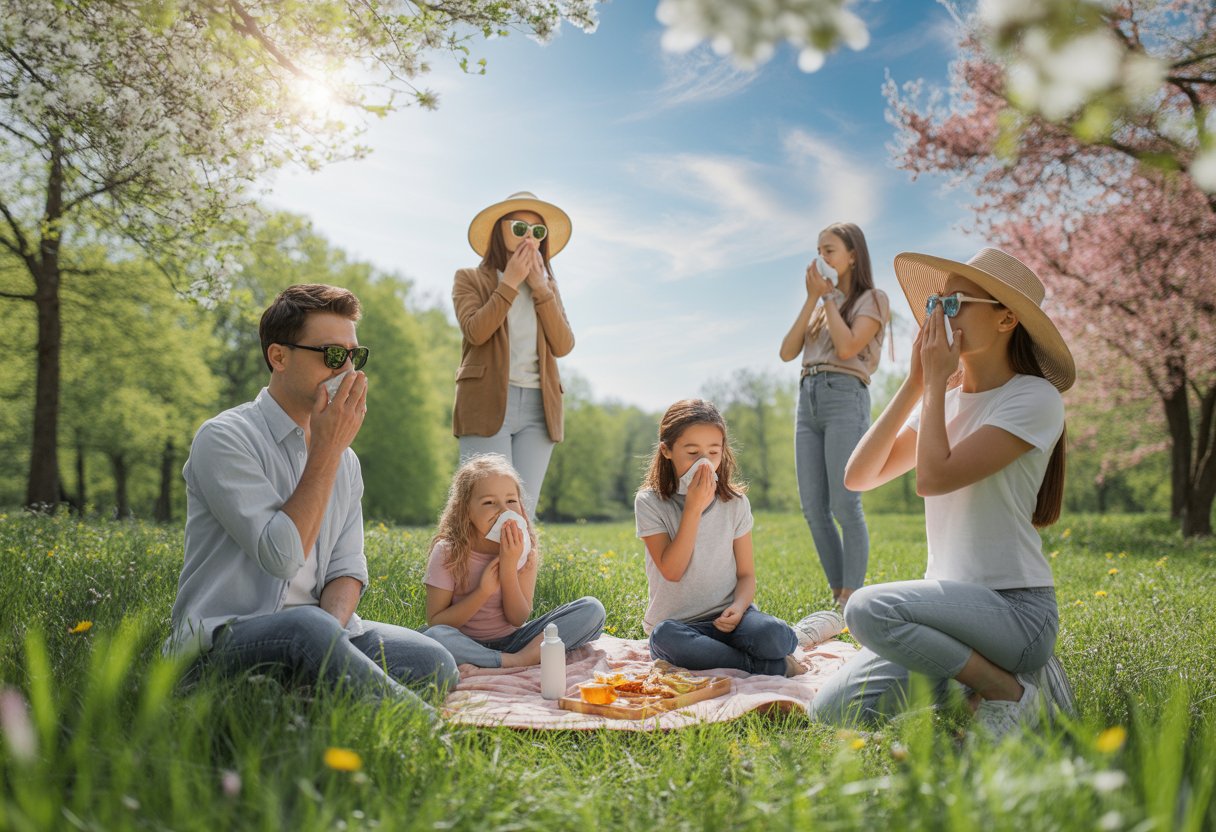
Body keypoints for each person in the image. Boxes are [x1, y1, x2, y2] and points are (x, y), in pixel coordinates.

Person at [811, 248, 1077, 739]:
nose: (938, 316)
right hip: (944, 617)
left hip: (1015, 612)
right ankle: (970, 681)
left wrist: (934, 384)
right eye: (935, 304)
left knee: (867, 608)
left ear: (1006, 319)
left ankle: (1008, 692)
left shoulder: (1034, 399)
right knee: (831, 710)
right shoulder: (944, 399)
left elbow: (933, 477)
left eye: (954, 304)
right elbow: (859, 476)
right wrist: (917, 382)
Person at [167, 284, 458, 710]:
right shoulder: (225, 438)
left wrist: (331, 639)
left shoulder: (346, 459)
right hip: (224, 641)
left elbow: (347, 569)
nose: (347, 372)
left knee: (435, 662)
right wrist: (325, 450)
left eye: (354, 357)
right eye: (332, 355)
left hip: (318, 631)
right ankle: (425, 730)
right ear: (279, 356)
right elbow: (281, 557)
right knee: (302, 627)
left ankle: (307, 688)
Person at [636, 399, 841, 678]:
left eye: (713, 452)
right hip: (680, 627)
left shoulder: (735, 503)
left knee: (774, 635)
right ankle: (769, 666)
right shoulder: (650, 502)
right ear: (667, 450)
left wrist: (738, 607)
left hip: (732, 620)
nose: (704, 463)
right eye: (692, 452)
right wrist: (693, 508)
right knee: (664, 638)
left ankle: (792, 639)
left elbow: (746, 575)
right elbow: (672, 570)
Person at [779, 222, 889, 610]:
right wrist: (813, 299)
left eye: (829, 250)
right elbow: (787, 352)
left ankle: (851, 597)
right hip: (807, 397)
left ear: (852, 256)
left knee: (845, 504)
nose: (821, 258)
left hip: (844, 396)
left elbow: (847, 349)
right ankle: (837, 593)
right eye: (819, 250)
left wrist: (827, 300)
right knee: (813, 507)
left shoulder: (873, 299)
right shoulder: (821, 305)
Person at [452, 191, 575, 518]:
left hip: (540, 406)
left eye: (538, 232)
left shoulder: (547, 287)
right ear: (499, 231)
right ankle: (464, 570)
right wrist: (509, 284)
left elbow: (563, 345)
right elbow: (475, 331)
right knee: (484, 507)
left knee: (522, 511)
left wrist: (540, 289)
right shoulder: (470, 279)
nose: (529, 238)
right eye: (520, 228)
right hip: (486, 402)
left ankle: (515, 571)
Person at [420, 454, 605, 667]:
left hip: (516, 640)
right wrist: (483, 592)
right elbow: (437, 621)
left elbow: (517, 619)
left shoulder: (526, 551)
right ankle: (513, 661)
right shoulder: (448, 551)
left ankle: (518, 657)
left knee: (592, 609)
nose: (504, 510)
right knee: (433, 636)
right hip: (463, 641)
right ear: (465, 510)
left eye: (511, 501)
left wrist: (508, 567)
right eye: (489, 502)